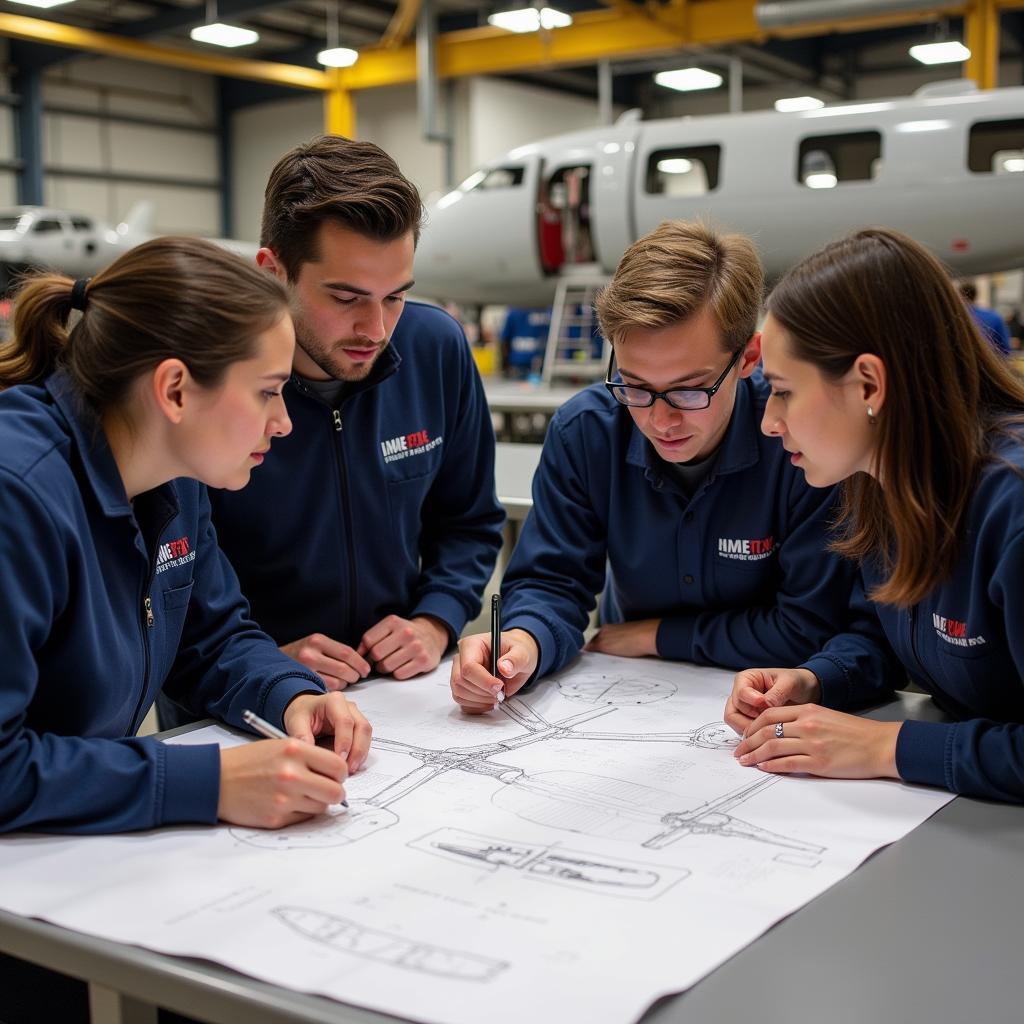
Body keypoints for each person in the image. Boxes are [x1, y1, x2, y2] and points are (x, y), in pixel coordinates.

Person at [0, 236, 372, 840]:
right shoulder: (18, 493)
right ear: (174, 389)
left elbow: (212, 635)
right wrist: (210, 781)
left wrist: (291, 696)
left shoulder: (173, 473)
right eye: (267, 391)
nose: (282, 422)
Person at [156, 137, 503, 730]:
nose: (375, 328)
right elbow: (172, 590)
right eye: (345, 298)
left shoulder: (436, 349)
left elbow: (468, 521)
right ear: (274, 272)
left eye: (395, 296)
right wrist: (269, 670)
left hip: (399, 698)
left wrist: (436, 620)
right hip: (231, 709)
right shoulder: (206, 384)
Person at [451, 220, 857, 713]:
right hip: (627, 691)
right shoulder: (587, 431)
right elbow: (551, 581)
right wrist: (524, 641)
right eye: (635, 385)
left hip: (768, 707)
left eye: (689, 389)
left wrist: (657, 636)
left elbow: (810, 627)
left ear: (749, 357)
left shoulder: (800, 445)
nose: (661, 419)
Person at [727, 227, 1024, 804]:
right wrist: (817, 679)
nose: (768, 421)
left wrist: (884, 748)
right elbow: (887, 636)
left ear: (869, 383)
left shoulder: (1010, 512)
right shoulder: (883, 481)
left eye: (784, 391)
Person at [960, 281, 1011, 355]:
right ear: (976, 295)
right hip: (987, 361)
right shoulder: (994, 316)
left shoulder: (953, 316)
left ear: (959, 295)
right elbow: (1005, 348)